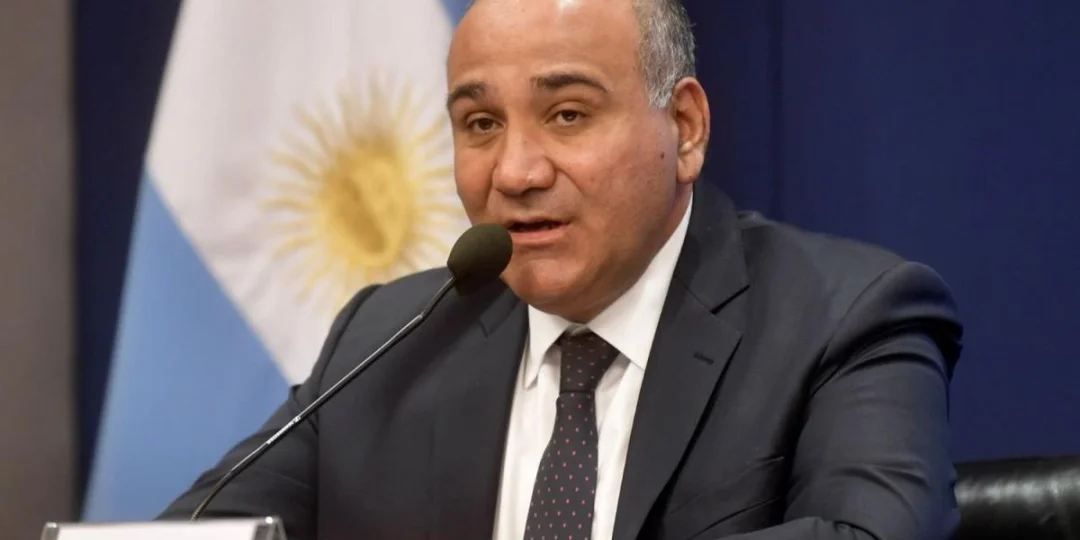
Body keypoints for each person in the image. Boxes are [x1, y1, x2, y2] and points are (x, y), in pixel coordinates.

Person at [161, 0, 963, 538]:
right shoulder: (386, 341)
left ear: (684, 128)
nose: (515, 172)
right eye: (480, 124)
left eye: (568, 114)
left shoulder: (845, 316)